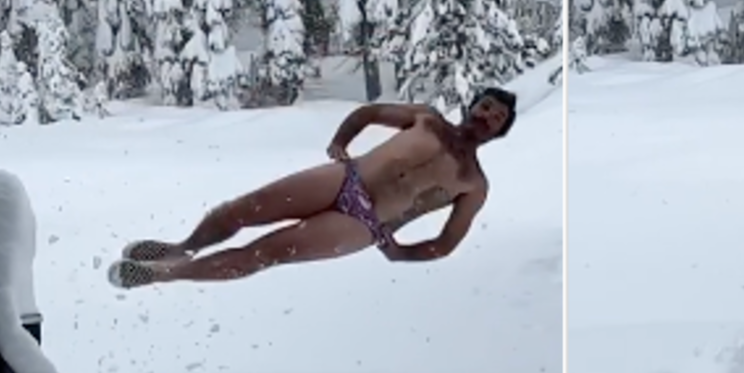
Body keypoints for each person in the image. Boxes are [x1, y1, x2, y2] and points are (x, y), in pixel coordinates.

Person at [108, 88, 519, 288]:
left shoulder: (473, 184)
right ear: (472, 105)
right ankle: (182, 247)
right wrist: (341, 143)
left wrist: (399, 254)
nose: (487, 117)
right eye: (486, 106)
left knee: (264, 254)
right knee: (243, 209)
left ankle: (166, 273)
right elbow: (370, 112)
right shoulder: (427, 119)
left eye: (497, 117)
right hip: (347, 177)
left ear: (500, 132)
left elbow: (445, 244)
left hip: (364, 223)